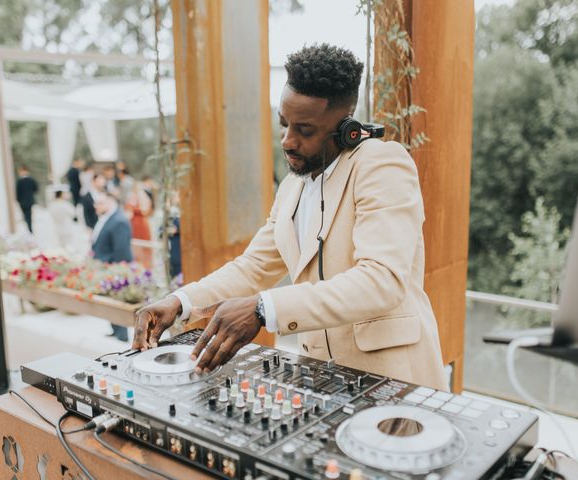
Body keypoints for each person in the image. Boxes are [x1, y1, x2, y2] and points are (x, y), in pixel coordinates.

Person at [132, 44, 447, 390]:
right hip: (323, 382)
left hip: (396, 382)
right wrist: (179, 302)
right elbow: (253, 267)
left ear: (347, 129)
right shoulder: (292, 188)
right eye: (284, 124)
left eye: (305, 130)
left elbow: (381, 280)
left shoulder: (382, 165)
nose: (287, 140)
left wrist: (263, 309)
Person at [92, 191, 133, 341]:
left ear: (110, 202)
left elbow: (122, 251)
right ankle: (115, 330)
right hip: (106, 267)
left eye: (99, 202)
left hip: (115, 269)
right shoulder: (108, 218)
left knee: (117, 301)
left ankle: (122, 334)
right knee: (110, 301)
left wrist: (116, 272)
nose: (95, 206)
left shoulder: (119, 221)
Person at [124, 183, 153, 268]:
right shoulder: (131, 198)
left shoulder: (143, 198)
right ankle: (137, 266)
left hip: (141, 225)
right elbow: (128, 213)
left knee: (144, 247)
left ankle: (146, 267)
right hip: (133, 225)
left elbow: (145, 209)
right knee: (135, 247)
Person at [15, 165, 38, 233]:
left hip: (23, 202)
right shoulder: (31, 180)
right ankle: (29, 228)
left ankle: (29, 229)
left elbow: (17, 192)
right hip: (29, 201)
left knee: (26, 215)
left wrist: (18, 200)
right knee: (28, 215)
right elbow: (36, 189)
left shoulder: (20, 181)